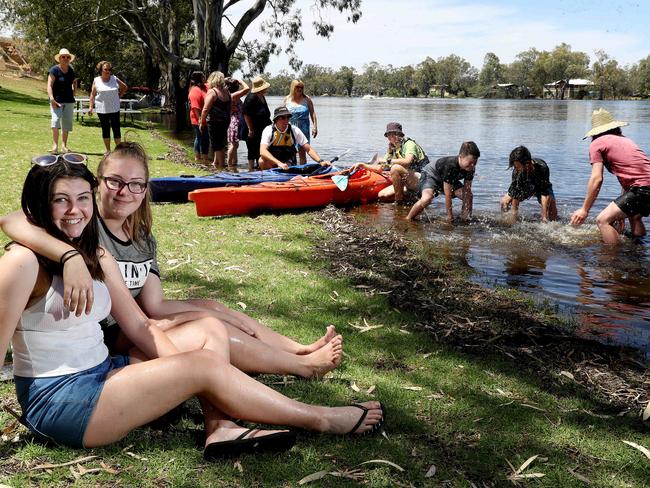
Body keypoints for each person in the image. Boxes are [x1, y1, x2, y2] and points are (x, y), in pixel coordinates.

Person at [0, 156, 385, 457]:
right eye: (60, 200)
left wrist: (179, 370)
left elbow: (139, 326)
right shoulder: (22, 264)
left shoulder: (94, 251)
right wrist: (192, 371)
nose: (75, 211)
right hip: (63, 401)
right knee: (200, 365)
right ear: (38, 204)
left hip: (105, 372)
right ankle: (321, 419)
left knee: (207, 334)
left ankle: (220, 426)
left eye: (83, 198)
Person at [1, 142, 343, 380]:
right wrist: (70, 256)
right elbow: (13, 219)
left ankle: (298, 349)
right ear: (98, 185)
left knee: (213, 307)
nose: (124, 192)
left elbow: (154, 305)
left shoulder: (142, 237)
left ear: (145, 189)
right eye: (115, 182)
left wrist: (209, 311)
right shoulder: (85, 223)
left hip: (138, 318)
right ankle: (300, 366)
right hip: (110, 331)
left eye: (135, 185)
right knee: (213, 324)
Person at [570, 108, 650, 244]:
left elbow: (597, 179)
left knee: (602, 220)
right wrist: (622, 209)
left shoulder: (596, 144)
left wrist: (584, 209)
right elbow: (630, 176)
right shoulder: (625, 140)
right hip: (643, 186)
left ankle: (611, 261)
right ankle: (639, 250)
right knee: (634, 216)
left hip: (642, 188)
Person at [406, 141, 480, 222]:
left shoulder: (471, 168)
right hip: (431, 175)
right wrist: (450, 217)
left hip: (447, 179)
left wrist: (465, 217)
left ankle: (465, 218)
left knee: (469, 196)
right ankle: (408, 219)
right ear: (461, 156)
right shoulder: (450, 165)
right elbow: (448, 195)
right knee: (427, 198)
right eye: (470, 162)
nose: (472, 165)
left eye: (475, 163)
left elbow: (467, 190)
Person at [259, 107, 329, 170]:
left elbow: (308, 149)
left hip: (288, 161)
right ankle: (270, 177)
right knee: (261, 160)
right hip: (274, 161)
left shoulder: (294, 130)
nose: (286, 120)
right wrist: (278, 163)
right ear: (276, 119)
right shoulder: (268, 130)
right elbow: (262, 151)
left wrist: (320, 161)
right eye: (283, 117)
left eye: (288, 117)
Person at [500, 146, 558, 222]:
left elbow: (545, 193)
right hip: (525, 187)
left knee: (551, 209)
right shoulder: (517, 173)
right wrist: (514, 217)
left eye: (517, 166)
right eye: (515, 166)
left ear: (527, 163)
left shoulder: (542, 167)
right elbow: (515, 196)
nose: (516, 169)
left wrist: (544, 216)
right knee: (504, 202)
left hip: (540, 186)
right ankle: (505, 221)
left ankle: (553, 225)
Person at [88, 61, 128, 153]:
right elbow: (92, 95)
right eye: (105, 69)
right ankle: (108, 151)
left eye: (109, 69)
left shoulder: (114, 78)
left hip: (114, 108)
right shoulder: (96, 80)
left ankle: (118, 151)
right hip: (102, 109)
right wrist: (90, 107)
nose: (108, 71)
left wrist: (119, 95)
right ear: (101, 70)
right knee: (105, 129)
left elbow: (125, 87)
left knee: (116, 129)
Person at [47, 48, 77, 153]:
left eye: (67, 57)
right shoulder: (54, 70)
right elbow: (49, 86)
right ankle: (55, 145)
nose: (65, 58)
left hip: (69, 100)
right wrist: (52, 99)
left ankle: (64, 146)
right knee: (55, 121)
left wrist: (74, 92)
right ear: (59, 58)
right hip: (57, 101)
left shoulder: (71, 70)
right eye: (63, 57)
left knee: (66, 123)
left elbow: (74, 82)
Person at [200, 71, 231, 171]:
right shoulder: (227, 92)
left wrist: (201, 122)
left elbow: (205, 109)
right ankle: (216, 163)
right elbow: (229, 108)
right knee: (221, 143)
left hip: (214, 121)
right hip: (225, 121)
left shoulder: (212, 92)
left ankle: (221, 167)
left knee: (216, 145)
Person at [284, 80, 318, 164]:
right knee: (290, 153)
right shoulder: (287, 99)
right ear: (293, 87)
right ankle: (292, 171)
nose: (299, 89)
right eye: (297, 87)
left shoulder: (307, 99)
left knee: (302, 153)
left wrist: (315, 127)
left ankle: (303, 172)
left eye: (301, 87)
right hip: (290, 129)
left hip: (304, 129)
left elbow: (312, 113)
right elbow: (282, 114)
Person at [242, 76, 272, 171]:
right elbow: (246, 114)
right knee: (252, 149)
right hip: (252, 129)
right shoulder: (251, 97)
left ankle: (260, 168)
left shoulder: (261, 96)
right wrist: (250, 129)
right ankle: (250, 170)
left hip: (262, 128)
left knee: (261, 149)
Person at [225, 78, 250, 172]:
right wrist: (241, 81)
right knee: (234, 144)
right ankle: (228, 164)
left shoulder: (231, 95)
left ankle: (233, 166)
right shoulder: (233, 95)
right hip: (235, 121)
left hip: (236, 120)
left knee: (235, 144)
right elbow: (247, 89)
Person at [187, 71, 210, 164]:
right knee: (201, 137)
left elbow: (211, 84)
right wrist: (200, 120)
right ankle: (198, 157)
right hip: (197, 118)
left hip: (205, 117)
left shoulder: (204, 87)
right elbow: (195, 107)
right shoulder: (195, 90)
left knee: (205, 138)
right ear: (199, 79)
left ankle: (204, 158)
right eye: (203, 77)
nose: (205, 78)